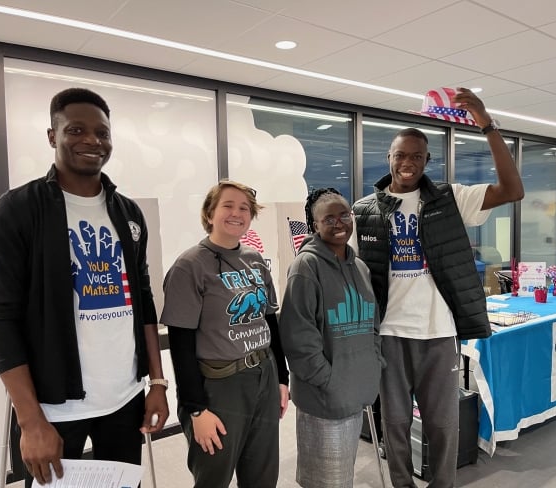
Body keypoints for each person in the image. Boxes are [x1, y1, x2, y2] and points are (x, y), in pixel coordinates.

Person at [0, 87, 169, 486]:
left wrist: (156, 382)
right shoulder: (17, 211)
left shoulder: (127, 212)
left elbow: (144, 301)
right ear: (53, 136)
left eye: (102, 133)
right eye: (76, 130)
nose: (92, 141)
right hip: (53, 409)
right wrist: (30, 421)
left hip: (124, 401)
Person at [352, 87, 525, 488]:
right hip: (389, 336)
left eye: (416, 155)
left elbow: (512, 190)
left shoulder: (451, 199)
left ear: (427, 160)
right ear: (389, 158)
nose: (408, 162)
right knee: (393, 424)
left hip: (439, 333)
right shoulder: (364, 210)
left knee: (442, 426)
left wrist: (486, 123)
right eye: (400, 155)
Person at [160, 180, 290, 488]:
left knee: (262, 474)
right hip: (220, 386)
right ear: (209, 214)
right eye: (228, 206)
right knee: (213, 477)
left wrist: (282, 379)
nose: (237, 213)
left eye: (244, 208)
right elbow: (181, 344)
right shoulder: (190, 265)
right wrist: (195, 410)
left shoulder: (255, 260)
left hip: (264, 376)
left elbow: (270, 321)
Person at [279, 188, 383, 488]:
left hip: (355, 391)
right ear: (314, 225)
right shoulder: (305, 267)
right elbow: (298, 337)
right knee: (325, 482)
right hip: (324, 400)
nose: (339, 223)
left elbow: (373, 323)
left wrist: (373, 365)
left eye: (344, 215)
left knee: (343, 478)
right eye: (329, 218)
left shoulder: (360, 267)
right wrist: (329, 380)